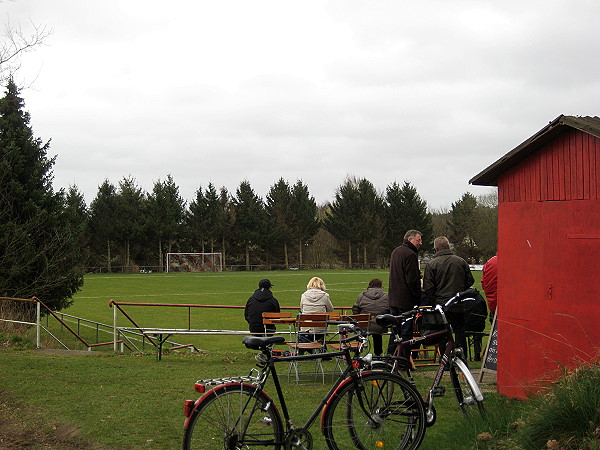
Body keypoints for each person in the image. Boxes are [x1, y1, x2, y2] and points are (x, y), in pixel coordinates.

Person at [422, 236, 475, 357]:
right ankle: (462, 358)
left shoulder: (432, 264)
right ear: (448, 246)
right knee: (460, 332)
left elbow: (428, 287)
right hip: (458, 303)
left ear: (436, 249)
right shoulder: (460, 261)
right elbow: (470, 281)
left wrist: (434, 301)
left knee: (442, 333)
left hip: (441, 305)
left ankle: (445, 360)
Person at [388, 229, 424, 357]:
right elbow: (412, 280)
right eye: (418, 240)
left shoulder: (395, 252)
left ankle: (391, 357)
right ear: (410, 239)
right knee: (406, 332)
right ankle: (403, 360)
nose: (421, 243)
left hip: (394, 299)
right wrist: (418, 298)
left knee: (395, 331)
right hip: (405, 301)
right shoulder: (410, 255)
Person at [352, 278, 389, 356]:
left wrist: (358, 318)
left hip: (364, 325)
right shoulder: (386, 296)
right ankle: (378, 354)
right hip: (380, 325)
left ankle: (357, 352)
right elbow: (389, 310)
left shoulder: (362, 295)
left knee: (361, 332)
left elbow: (355, 308)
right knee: (377, 334)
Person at [300, 276, 334, 341]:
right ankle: (321, 347)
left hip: (306, 328)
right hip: (320, 328)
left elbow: (302, 309)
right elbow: (330, 310)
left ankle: (309, 348)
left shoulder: (303, 295)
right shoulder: (325, 295)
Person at [463, 289, 488, 361]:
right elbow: (485, 313)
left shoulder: (462, 297)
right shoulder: (480, 298)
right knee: (477, 335)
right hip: (479, 325)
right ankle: (477, 355)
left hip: (465, 326)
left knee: (460, 333)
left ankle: (463, 355)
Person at [481, 253, 498, 323]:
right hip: (510, 310)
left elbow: (483, 283)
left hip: (493, 306)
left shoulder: (490, 262)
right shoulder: (516, 262)